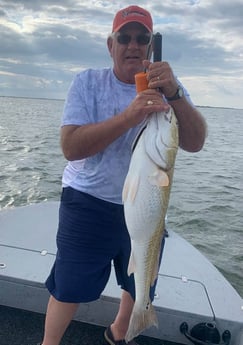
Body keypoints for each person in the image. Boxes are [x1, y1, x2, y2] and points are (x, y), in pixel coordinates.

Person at [39, 5, 207, 345]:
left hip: (144, 203)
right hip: (88, 200)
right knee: (69, 285)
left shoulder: (168, 88)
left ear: (149, 45)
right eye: (124, 37)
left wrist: (173, 93)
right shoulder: (87, 82)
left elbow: (195, 142)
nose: (133, 45)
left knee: (139, 280)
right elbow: (71, 147)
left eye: (142, 38)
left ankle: (119, 333)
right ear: (110, 44)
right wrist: (129, 117)